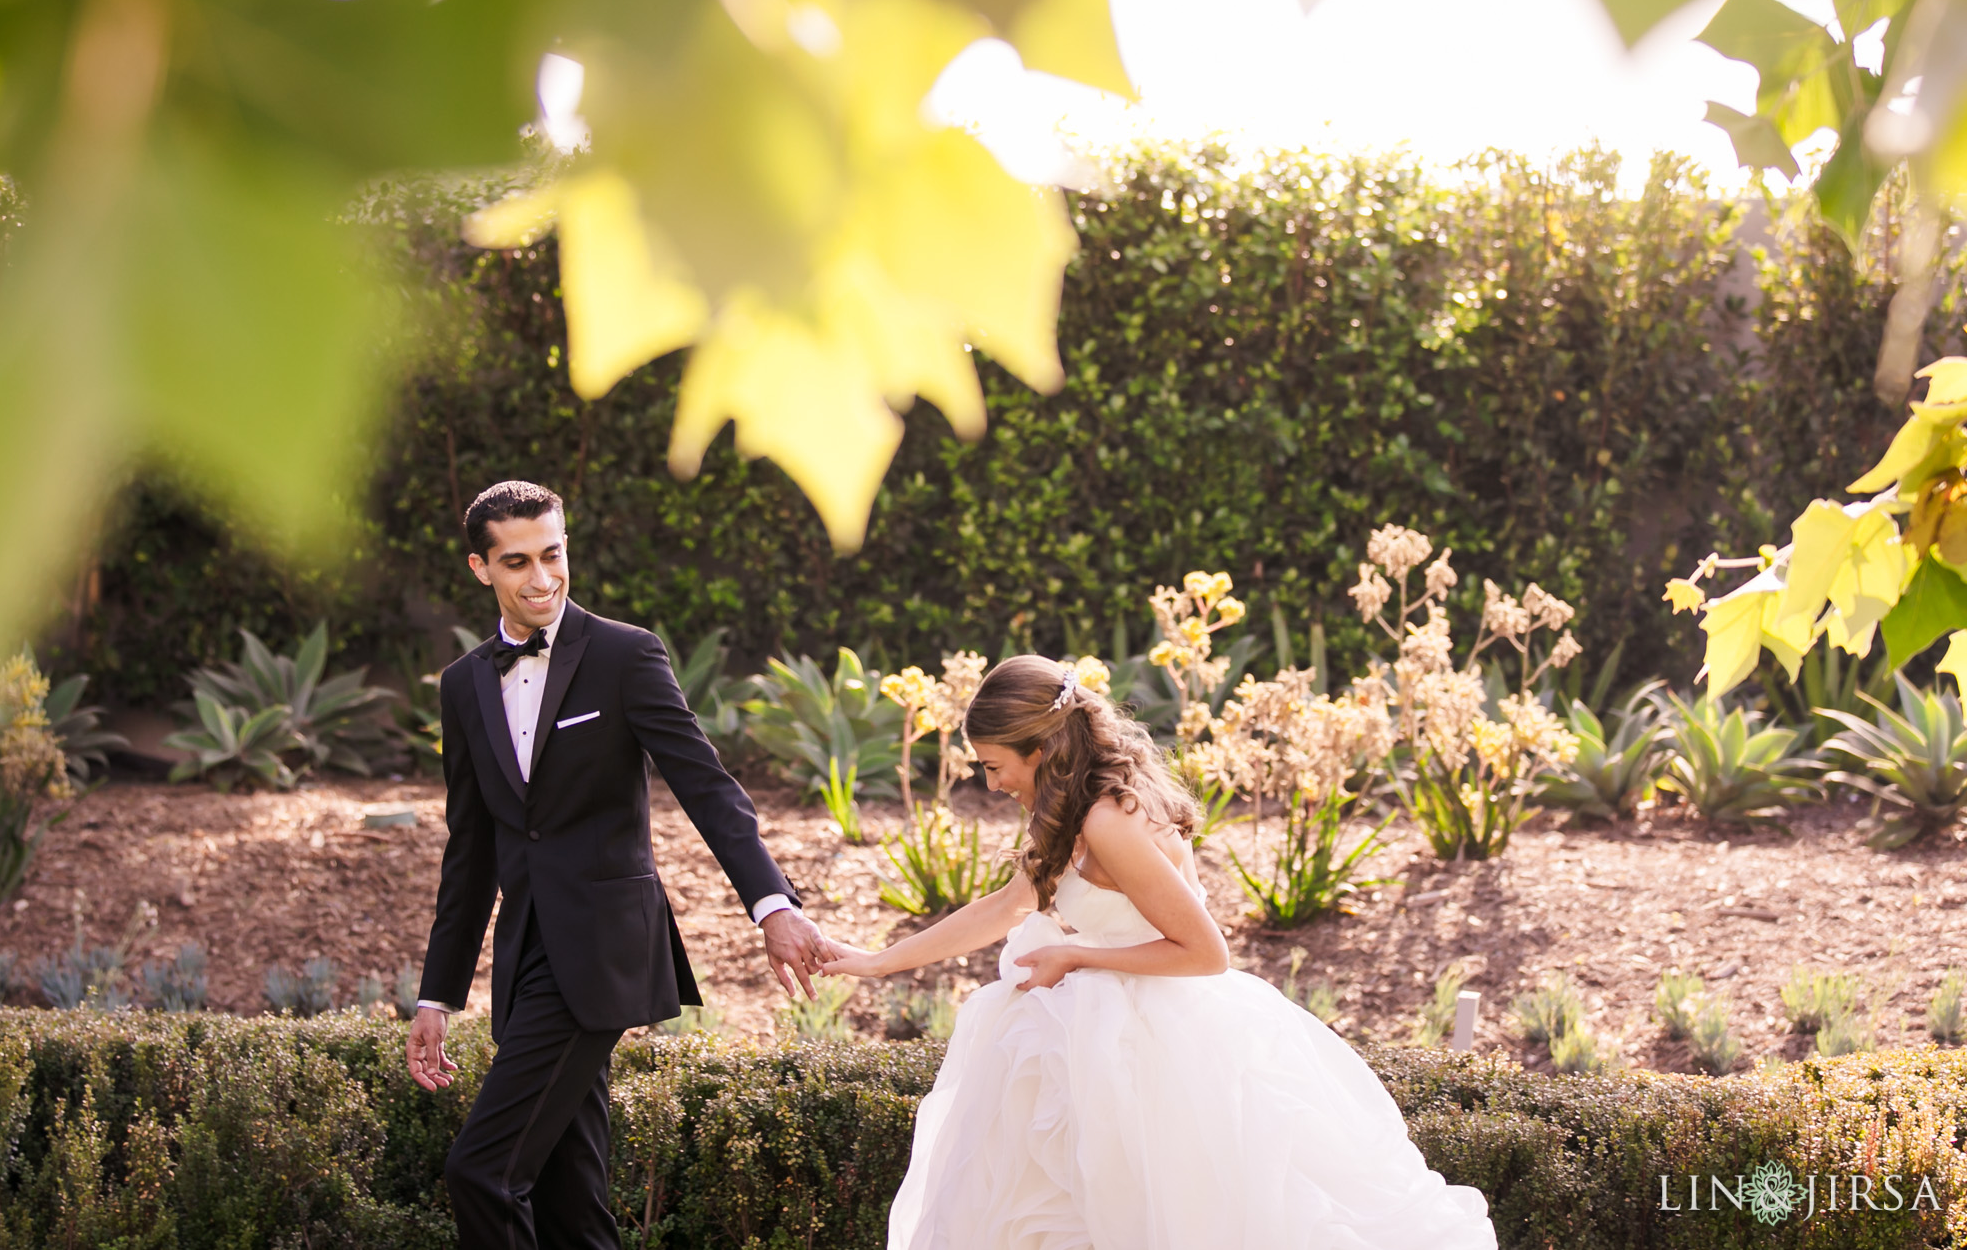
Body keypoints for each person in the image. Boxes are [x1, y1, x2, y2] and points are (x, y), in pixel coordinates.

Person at [821, 654, 1498, 1249]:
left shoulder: (1106, 821)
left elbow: (1206, 952)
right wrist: (874, 961)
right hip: (1093, 1032)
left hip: (1160, 1043)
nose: (991, 783)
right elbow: (1005, 907)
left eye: (995, 766)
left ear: (1039, 748)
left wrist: (1079, 959)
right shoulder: (1068, 809)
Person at [407, 479, 832, 1250]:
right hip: (526, 955)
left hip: (603, 949)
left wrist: (772, 903)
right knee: (574, 1207)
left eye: (553, 554)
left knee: (483, 1170)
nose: (541, 579)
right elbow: (469, 849)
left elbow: (705, 784)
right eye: (517, 562)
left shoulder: (624, 654)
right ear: (480, 568)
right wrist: (439, 990)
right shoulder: (464, 684)